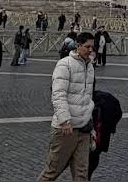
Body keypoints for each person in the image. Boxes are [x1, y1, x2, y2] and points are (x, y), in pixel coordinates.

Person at [40, 32, 96, 181]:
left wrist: (91, 126)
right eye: (87, 46)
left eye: (92, 47)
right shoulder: (65, 64)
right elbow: (58, 94)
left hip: (84, 129)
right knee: (52, 172)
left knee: (82, 174)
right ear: (78, 46)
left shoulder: (90, 67)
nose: (90, 50)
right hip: (66, 129)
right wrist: (65, 120)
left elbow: (87, 98)